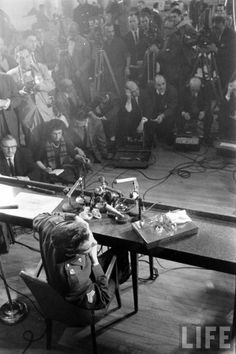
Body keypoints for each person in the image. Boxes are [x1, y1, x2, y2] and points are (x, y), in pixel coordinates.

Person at [33, 212, 130, 309]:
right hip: (80, 298)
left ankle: (124, 271)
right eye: (89, 247)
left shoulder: (52, 226)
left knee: (120, 249)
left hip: (57, 277)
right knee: (120, 263)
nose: (95, 243)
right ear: (72, 253)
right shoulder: (76, 280)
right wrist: (95, 261)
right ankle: (124, 275)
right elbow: (103, 299)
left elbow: (39, 216)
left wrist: (76, 218)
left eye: (91, 238)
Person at [7, 45, 56, 147]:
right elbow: (11, 96)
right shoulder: (10, 75)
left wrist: (39, 86)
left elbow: (52, 85)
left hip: (45, 111)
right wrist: (21, 92)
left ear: (31, 56)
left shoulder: (41, 67)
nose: (25, 60)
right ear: (16, 59)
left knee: (50, 139)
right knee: (33, 143)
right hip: (28, 115)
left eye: (27, 56)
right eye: (21, 58)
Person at [35, 119, 90, 184]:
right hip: (49, 169)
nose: (57, 136)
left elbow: (73, 153)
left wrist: (80, 158)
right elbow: (37, 160)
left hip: (62, 168)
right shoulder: (43, 143)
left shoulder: (64, 139)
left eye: (59, 133)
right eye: (54, 134)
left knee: (79, 166)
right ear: (50, 133)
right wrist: (45, 169)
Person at [144, 74, 178, 148]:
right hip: (154, 112)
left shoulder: (172, 91)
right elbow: (148, 105)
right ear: (155, 85)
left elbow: (172, 108)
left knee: (170, 120)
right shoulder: (149, 90)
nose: (162, 87)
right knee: (148, 120)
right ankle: (150, 141)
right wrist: (150, 117)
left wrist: (162, 115)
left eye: (163, 84)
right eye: (159, 85)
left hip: (166, 113)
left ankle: (167, 137)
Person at [178, 77, 212, 142]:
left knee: (209, 116)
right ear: (189, 86)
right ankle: (181, 136)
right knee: (178, 116)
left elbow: (208, 103)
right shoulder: (183, 90)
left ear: (200, 87)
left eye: (197, 90)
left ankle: (206, 137)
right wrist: (183, 113)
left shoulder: (205, 89)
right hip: (188, 112)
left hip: (199, 112)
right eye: (193, 90)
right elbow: (180, 104)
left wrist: (204, 112)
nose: (194, 92)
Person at [116, 80, 148, 147]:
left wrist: (142, 122)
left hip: (145, 119)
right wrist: (129, 98)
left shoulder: (145, 95)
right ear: (129, 92)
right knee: (124, 120)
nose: (137, 91)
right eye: (134, 91)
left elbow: (149, 110)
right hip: (133, 122)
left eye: (137, 89)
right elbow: (128, 111)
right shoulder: (124, 98)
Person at [0, 73, 22, 144]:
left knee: (14, 147)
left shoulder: (7, 78)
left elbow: (17, 98)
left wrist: (6, 102)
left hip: (10, 121)